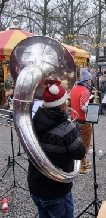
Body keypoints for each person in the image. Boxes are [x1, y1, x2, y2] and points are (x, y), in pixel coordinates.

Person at [28, 80, 86, 218]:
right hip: (56, 190)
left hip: (35, 186)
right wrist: (75, 133)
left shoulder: (32, 123)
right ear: (63, 104)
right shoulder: (66, 128)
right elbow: (80, 154)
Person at [70, 68, 93, 174]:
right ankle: (83, 166)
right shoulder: (85, 90)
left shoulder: (74, 88)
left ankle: (83, 162)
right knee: (85, 143)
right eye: (90, 80)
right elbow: (83, 107)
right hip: (83, 119)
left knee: (78, 142)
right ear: (87, 80)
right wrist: (92, 108)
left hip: (74, 118)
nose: (91, 82)